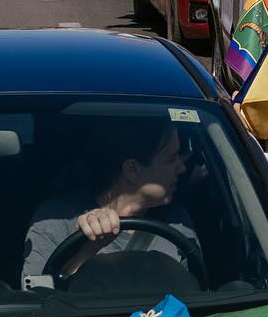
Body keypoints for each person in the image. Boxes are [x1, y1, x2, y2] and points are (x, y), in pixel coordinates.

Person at [22, 118, 197, 286]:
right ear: (132, 170)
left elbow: (194, 296)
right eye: (171, 159)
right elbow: (39, 303)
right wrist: (89, 249)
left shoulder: (177, 222)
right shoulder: (56, 221)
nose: (181, 168)